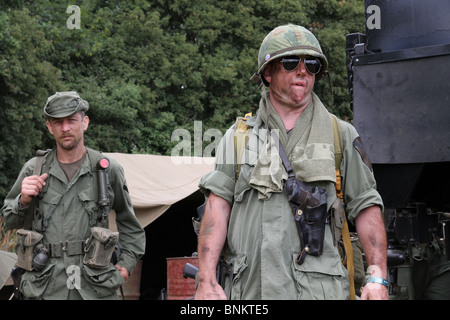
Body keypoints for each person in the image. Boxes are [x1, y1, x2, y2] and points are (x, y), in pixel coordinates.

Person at [194, 24, 388, 300]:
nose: (302, 71)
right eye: (290, 62)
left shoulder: (340, 135)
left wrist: (378, 275)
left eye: (311, 64)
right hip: (250, 291)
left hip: (317, 292)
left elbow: (367, 205)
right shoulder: (238, 138)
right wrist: (206, 279)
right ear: (267, 73)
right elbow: (217, 208)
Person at [1, 91, 146, 299]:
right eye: (57, 122)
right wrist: (23, 201)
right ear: (49, 127)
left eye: (71, 120)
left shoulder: (106, 169)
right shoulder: (34, 169)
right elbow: (9, 220)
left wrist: (126, 265)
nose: (65, 128)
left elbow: (130, 223)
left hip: (95, 288)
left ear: (84, 122)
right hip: (45, 288)